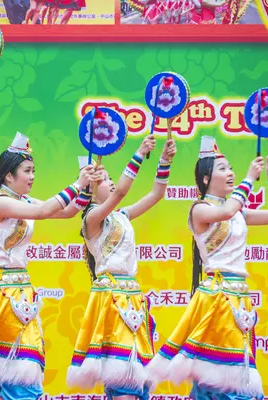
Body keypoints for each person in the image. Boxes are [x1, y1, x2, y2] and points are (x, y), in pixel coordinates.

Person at [146, 136, 268, 400]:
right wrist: (249, 178)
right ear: (205, 179)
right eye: (223, 169)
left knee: (228, 371)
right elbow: (226, 212)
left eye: (231, 168)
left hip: (238, 299)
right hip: (216, 297)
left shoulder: (237, 212)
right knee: (218, 374)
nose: (231, 173)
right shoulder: (200, 209)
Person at [0, 132, 96, 400]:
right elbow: (44, 211)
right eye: (27, 171)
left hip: (18, 293)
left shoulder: (21, 201)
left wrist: (86, 187)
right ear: (8, 176)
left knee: (4, 379)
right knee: (20, 373)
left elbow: (66, 212)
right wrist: (77, 182)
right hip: (2, 296)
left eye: (33, 171)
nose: (32, 176)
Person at [67, 135, 176, 400]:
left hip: (133, 298)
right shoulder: (91, 219)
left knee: (138, 380)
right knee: (123, 377)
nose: (110, 181)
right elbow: (121, 193)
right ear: (90, 190)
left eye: (108, 176)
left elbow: (156, 194)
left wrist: (164, 161)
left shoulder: (122, 216)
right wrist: (139, 153)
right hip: (113, 301)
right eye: (103, 178)